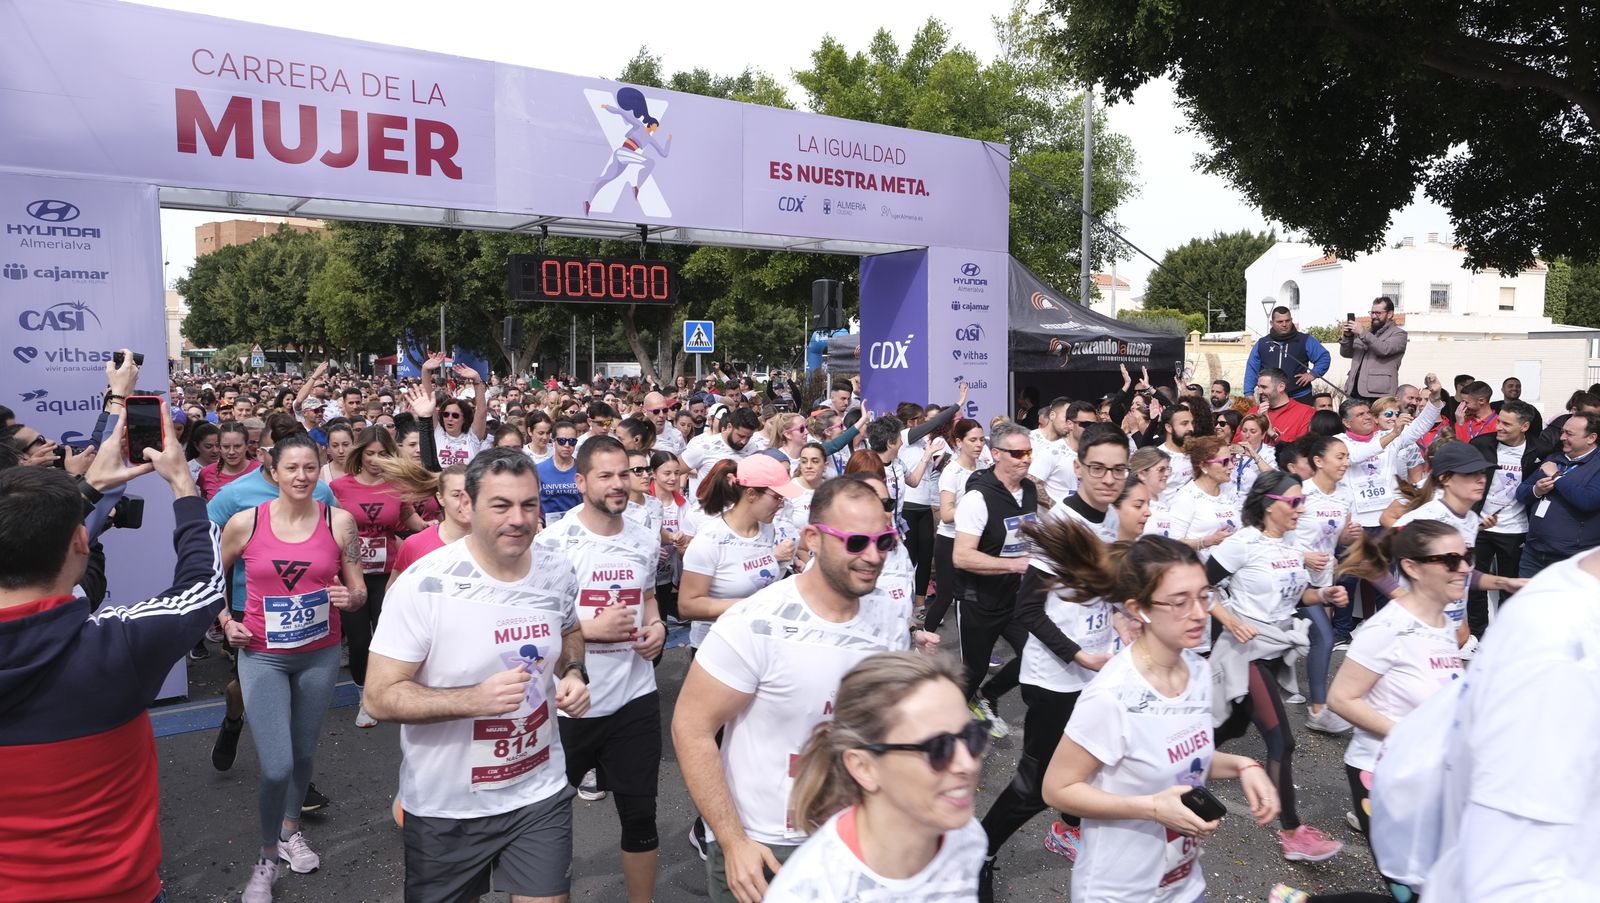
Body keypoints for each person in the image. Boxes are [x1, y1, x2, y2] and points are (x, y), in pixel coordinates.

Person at [0, 403, 228, 903]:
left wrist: (89, 489)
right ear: (82, 541)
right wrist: (182, 488)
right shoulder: (118, 644)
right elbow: (205, 586)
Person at [365, 448, 592, 903]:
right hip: (448, 803)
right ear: (466, 506)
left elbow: (569, 629)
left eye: (530, 505)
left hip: (537, 790)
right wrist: (474, 700)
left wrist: (573, 671)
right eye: (501, 505)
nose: (519, 519)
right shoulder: (424, 583)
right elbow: (379, 697)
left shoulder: (556, 569)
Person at [672, 477, 914, 903]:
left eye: (885, 541)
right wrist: (732, 841)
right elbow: (691, 729)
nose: (873, 556)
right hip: (768, 843)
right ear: (813, 539)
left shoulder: (891, 617)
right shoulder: (754, 621)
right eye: (856, 542)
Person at [1042, 535, 1280, 903]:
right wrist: (1152, 808)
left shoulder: (1198, 672)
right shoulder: (1110, 696)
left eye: (1204, 596)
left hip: (1185, 886)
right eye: (1180, 602)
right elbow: (1057, 789)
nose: (1200, 613)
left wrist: (1244, 766)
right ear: (1139, 610)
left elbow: (1177, 755)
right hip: (1118, 892)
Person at [219, 435, 367, 903]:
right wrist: (226, 621)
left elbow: (359, 588)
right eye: (291, 468)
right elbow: (209, 580)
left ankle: (288, 832)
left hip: (319, 653)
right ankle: (265, 859)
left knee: (303, 754)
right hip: (262, 653)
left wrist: (352, 597)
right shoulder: (245, 522)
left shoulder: (339, 521)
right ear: (274, 471)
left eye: (309, 467)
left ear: (319, 468)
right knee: (278, 764)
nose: (301, 477)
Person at [1414, 543, 1600, 899]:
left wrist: (1501, 582)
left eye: (1467, 557)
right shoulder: (1559, 648)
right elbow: (1507, 882)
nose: (1462, 568)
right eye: (1451, 560)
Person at [534, 437, 666, 903]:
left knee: (640, 816)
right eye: (605, 476)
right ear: (581, 481)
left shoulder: (644, 537)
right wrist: (593, 629)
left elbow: (648, 597)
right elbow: (537, 626)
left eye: (624, 475)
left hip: (634, 697)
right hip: (570, 704)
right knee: (545, 823)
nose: (617, 485)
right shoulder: (552, 544)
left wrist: (657, 629)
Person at [1206, 472, 1349, 861]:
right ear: (1270, 504)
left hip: (1276, 649)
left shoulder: (1288, 543)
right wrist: (1230, 619)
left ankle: (1178, 767)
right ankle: (1292, 832)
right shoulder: (1242, 544)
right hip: (1244, 652)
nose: (1301, 509)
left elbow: (1298, 592)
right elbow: (1199, 585)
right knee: (1280, 740)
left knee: (1230, 726)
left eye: (1303, 501)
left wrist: (1323, 594)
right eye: (1294, 502)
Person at [765, 652, 987, 901]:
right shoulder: (809, 892)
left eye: (972, 737)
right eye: (937, 748)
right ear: (863, 767)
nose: (967, 763)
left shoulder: (968, 839)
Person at [981, 515, 1122, 892]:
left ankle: (1066, 829)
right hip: (1053, 683)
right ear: (1082, 467)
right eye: (1102, 469)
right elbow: (1027, 610)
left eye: (1119, 471)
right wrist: (1078, 654)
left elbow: (1108, 596)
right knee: (1036, 784)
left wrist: (1124, 618)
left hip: (1097, 679)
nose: (1144, 509)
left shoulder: (1120, 523)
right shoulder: (1064, 520)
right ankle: (980, 850)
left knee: (1090, 763)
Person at [329, 427, 429, 727]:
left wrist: (438, 531)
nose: (375, 459)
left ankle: (392, 689)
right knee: (359, 641)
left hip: (388, 573)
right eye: (369, 453)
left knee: (388, 636)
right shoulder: (339, 487)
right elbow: (328, 526)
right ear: (359, 453)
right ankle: (364, 696)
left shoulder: (397, 485)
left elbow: (411, 522)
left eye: (382, 453)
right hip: (352, 574)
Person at [951, 421, 1040, 738]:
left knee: (1036, 653)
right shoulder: (978, 498)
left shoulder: (1029, 489)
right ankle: (949, 731)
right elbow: (961, 556)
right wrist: (1015, 565)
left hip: (1016, 597)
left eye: (1028, 451)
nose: (1025, 459)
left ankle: (988, 696)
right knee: (971, 672)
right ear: (996, 454)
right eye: (1017, 453)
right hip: (979, 600)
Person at [1289, 433, 1362, 732]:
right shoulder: (1299, 493)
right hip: (1290, 576)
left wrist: (1348, 537)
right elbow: (1274, 533)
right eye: (1340, 456)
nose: (1346, 462)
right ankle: (1318, 709)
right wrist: (1304, 555)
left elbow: (1339, 536)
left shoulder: (1345, 494)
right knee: (1324, 636)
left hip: (1321, 578)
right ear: (1319, 461)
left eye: (1347, 457)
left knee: (1314, 637)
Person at [1465, 398, 1539, 637]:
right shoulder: (1481, 444)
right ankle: (1477, 634)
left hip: (1516, 528)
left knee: (1510, 585)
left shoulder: (1538, 450)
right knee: (1475, 583)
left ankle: (1505, 636)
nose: (1499, 427)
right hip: (1481, 526)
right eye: (1499, 422)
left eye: (1507, 424)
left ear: (1524, 426)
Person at [1516, 410, 1600, 577]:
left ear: (1591, 438)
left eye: (1569, 434)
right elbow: (1521, 492)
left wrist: (1557, 477)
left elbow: (1588, 500)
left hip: (1571, 559)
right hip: (1534, 553)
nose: (1562, 438)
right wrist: (1536, 490)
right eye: (1562, 432)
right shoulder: (1555, 458)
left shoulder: (1596, 465)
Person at [1166, 435, 1241, 558]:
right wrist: (1207, 541)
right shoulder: (1186, 496)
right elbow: (1173, 544)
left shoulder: (1228, 490)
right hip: (1199, 571)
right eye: (1225, 462)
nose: (1232, 466)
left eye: (1232, 459)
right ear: (1204, 466)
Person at [1245, 306, 1331, 403]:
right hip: (1269, 398)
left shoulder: (1305, 340)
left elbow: (1324, 357)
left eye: (1287, 320)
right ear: (1271, 323)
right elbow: (1252, 369)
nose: (1284, 324)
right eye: (1280, 322)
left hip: (1300, 396)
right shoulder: (1262, 343)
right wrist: (1248, 393)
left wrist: (1313, 374)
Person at [1339, 297, 1409, 403]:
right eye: (1372, 312)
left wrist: (1362, 333)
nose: (1373, 316)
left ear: (1389, 314)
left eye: (1378, 313)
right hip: (1353, 391)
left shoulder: (1399, 334)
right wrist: (1348, 337)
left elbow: (1384, 349)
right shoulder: (1368, 333)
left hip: (1378, 395)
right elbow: (1346, 353)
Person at [199, 421, 261, 500]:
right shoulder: (206, 473)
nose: (231, 452)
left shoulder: (260, 470)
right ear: (219, 447)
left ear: (246, 446)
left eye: (237, 446)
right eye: (226, 446)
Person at [538, 420, 583, 525]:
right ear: (553, 442)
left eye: (572, 441)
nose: (567, 445)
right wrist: (538, 522)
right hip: (547, 528)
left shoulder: (583, 469)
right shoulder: (539, 470)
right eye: (562, 441)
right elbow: (533, 502)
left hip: (577, 526)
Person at [1254, 368, 1315, 444]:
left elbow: (1301, 449)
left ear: (1281, 387)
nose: (1259, 391)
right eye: (1258, 387)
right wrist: (1255, 423)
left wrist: (1272, 433)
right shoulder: (1254, 412)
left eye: (1264, 387)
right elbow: (1239, 443)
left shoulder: (1305, 412)